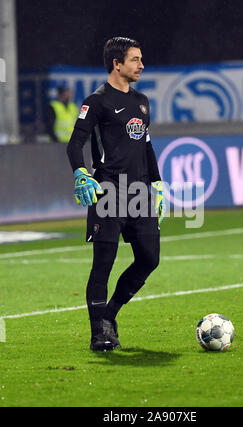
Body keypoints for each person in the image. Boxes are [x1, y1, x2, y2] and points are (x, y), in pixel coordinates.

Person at [66, 37, 166, 351]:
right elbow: (74, 143)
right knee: (103, 265)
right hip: (107, 190)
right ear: (117, 64)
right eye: (135, 59)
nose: (141, 65)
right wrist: (80, 172)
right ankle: (100, 332)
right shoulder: (96, 102)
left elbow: (146, 146)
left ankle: (110, 313)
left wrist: (158, 183)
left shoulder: (142, 101)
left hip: (139, 193)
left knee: (149, 259)